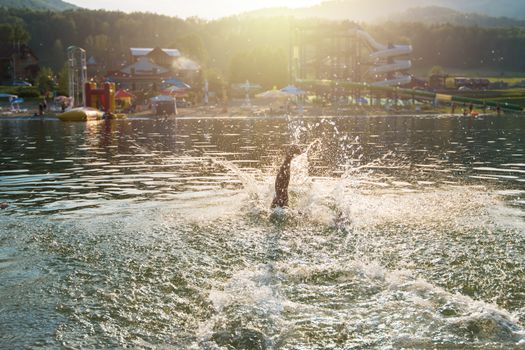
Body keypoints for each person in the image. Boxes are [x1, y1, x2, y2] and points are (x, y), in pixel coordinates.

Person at [271, 145, 303, 209]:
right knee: (281, 189)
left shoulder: (279, 200)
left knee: (281, 189)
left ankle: (289, 156)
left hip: (280, 201)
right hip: (281, 201)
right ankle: (289, 156)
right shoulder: (281, 200)